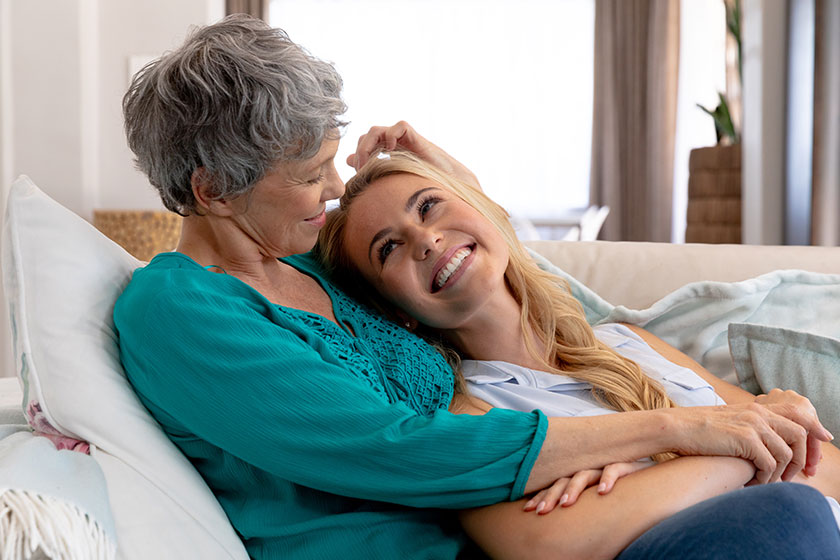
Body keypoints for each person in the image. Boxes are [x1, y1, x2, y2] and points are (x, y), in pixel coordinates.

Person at [115, 14, 835, 560]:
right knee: (788, 517)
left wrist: (441, 175)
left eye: (332, 164)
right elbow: (395, 447)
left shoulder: (306, 264)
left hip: (545, 512)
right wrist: (674, 430)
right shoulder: (176, 309)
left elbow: (477, 272)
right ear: (211, 191)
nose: (333, 188)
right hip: (479, 538)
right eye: (309, 175)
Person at [318, 149, 840, 558]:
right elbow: (547, 546)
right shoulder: (466, 418)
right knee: (789, 512)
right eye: (388, 248)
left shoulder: (626, 342)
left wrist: (655, 477)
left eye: (429, 205)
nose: (425, 240)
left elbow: (825, 464)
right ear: (396, 310)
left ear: (479, 209)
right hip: (757, 536)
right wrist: (731, 444)